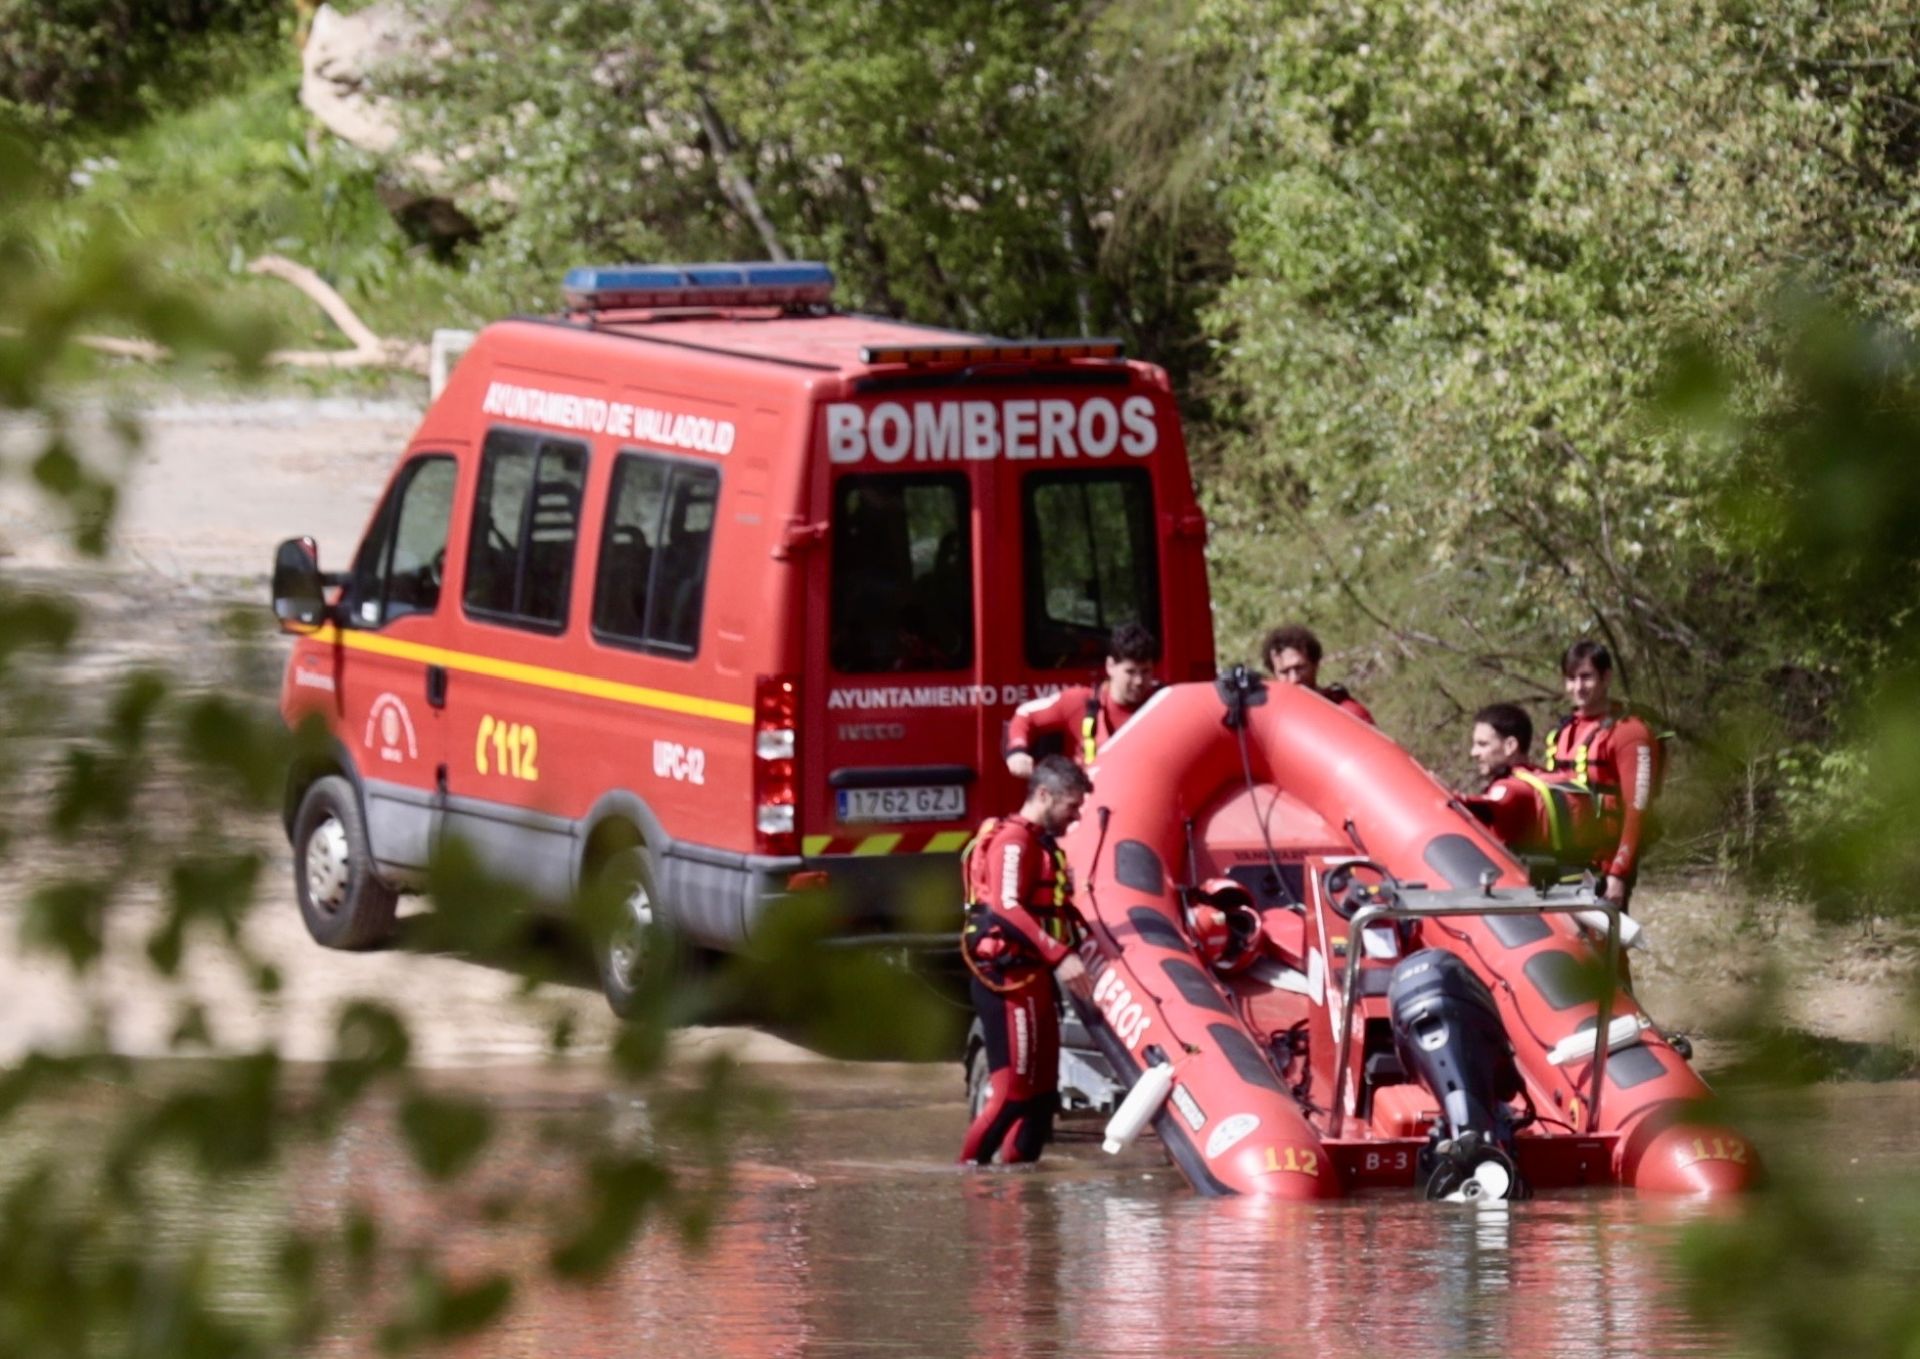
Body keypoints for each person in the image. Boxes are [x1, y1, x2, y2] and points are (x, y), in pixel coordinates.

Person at [958, 756, 1092, 1166]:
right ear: (1044, 795)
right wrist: (1060, 955)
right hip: (1008, 980)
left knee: (1041, 1098)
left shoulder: (1042, 843)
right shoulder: (1014, 841)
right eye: (1071, 805)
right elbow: (1006, 906)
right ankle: (967, 1179)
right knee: (1014, 1093)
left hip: (1033, 977)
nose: (1076, 815)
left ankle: (1023, 1200)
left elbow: (1055, 906)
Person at [1543, 640, 1661, 910]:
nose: (1577, 687)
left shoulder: (1630, 732)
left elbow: (1638, 809)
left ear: (1606, 677)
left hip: (1604, 867)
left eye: (1586, 677)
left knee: (1603, 947)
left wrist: (1618, 874)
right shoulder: (1564, 730)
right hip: (1562, 861)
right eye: (1571, 679)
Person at [1004, 622, 1159, 776]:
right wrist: (1017, 752)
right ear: (1110, 666)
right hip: (1090, 795)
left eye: (1146, 671)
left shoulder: (1163, 703)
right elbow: (1025, 715)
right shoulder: (1079, 702)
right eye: (1130, 672)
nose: (1139, 681)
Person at [1463, 702, 1602, 867]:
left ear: (1510, 746)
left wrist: (1439, 794)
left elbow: (1487, 806)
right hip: (1573, 883)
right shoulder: (1543, 777)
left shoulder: (1510, 788)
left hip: (1526, 888)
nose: (1474, 753)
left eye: (1482, 744)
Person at [1263, 623, 1374, 723]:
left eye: (1300, 667)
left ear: (1315, 664)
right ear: (1274, 675)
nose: (1294, 678)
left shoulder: (1349, 713)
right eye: (1285, 672)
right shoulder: (1276, 725)